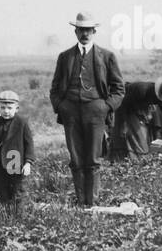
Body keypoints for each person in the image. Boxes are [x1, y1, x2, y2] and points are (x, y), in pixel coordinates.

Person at [49, 11, 125, 206]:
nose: (85, 34)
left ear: (94, 31)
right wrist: (60, 106)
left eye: (88, 30)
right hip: (71, 112)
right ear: (75, 32)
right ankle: (81, 201)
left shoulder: (106, 56)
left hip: (96, 112)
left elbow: (119, 89)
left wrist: (106, 107)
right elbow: (55, 87)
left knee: (93, 158)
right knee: (76, 158)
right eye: (81, 30)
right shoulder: (65, 57)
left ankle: (92, 202)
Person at [0, 91, 34, 208]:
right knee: (2, 192)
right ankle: (7, 217)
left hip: (16, 161)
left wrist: (28, 163)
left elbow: (29, 144)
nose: (6, 111)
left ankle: (19, 218)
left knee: (18, 192)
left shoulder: (22, 123)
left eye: (9, 108)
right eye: (2, 108)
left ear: (16, 108)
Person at [109, 79, 162, 161]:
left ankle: (143, 152)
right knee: (129, 133)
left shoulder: (159, 94)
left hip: (137, 105)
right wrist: (124, 125)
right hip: (125, 103)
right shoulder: (142, 91)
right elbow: (124, 106)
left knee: (151, 124)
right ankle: (126, 156)